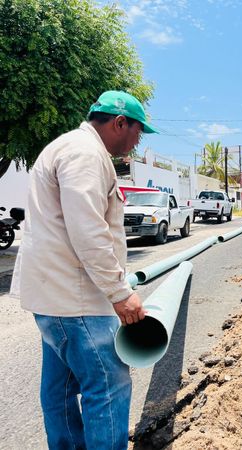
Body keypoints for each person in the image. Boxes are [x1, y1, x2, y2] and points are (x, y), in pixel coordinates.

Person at [10, 90, 158, 449]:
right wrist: (121, 294)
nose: (138, 141)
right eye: (138, 131)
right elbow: (88, 231)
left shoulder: (68, 146)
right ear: (119, 123)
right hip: (76, 302)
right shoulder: (86, 154)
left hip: (54, 299)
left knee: (60, 391)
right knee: (108, 386)